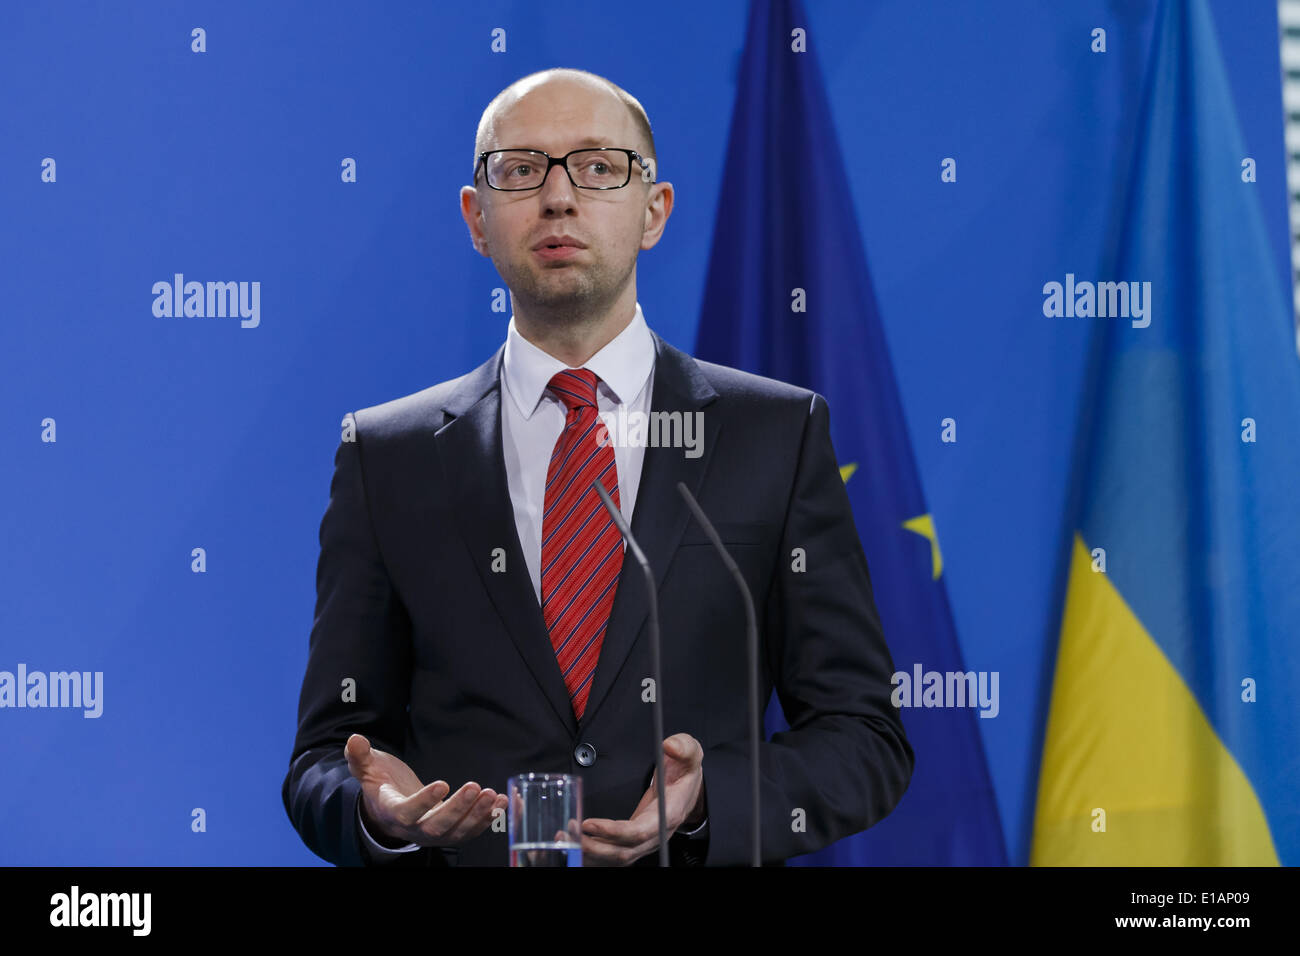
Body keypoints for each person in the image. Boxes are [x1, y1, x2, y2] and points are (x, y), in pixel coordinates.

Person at [281, 67, 913, 867]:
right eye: (520, 170)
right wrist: (379, 813)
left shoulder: (775, 435)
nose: (559, 197)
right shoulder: (388, 455)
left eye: (598, 167)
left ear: (654, 210)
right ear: (477, 220)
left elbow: (866, 736)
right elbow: (323, 758)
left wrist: (709, 797)